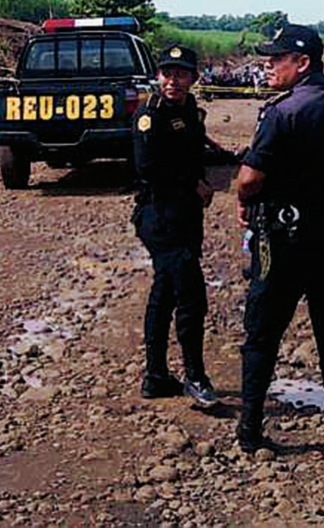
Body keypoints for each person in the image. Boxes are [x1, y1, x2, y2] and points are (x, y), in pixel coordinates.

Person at [235, 24, 324, 456]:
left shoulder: (281, 112)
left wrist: (244, 199)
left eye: (276, 59)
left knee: (262, 333)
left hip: (283, 239)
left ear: (303, 63)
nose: (267, 65)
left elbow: (249, 179)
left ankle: (250, 429)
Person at [132, 44, 219, 407]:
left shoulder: (192, 113)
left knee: (165, 291)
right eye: (168, 74)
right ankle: (195, 377)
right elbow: (147, 167)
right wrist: (193, 185)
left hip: (186, 217)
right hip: (159, 217)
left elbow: (195, 152)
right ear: (158, 77)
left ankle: (155, 376)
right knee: (192, 296)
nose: (173, 81)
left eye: (181, 74)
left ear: (193, 78)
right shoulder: (148, 115)